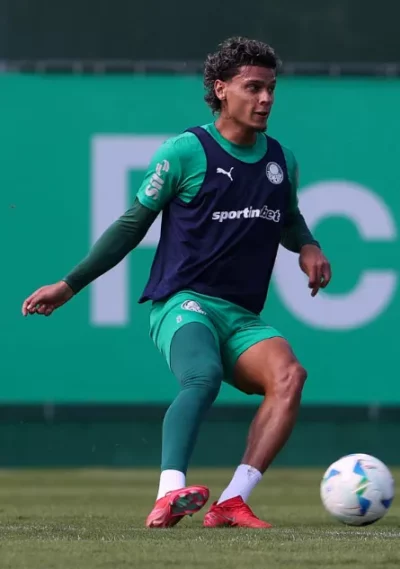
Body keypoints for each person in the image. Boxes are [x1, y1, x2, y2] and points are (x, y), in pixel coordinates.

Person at [21, 37, 332, 528]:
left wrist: (308, 245)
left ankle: (233, 502)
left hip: (241, 316)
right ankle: (168, 493)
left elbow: (288, 218)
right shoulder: (186, 152)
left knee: (290, 377)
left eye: (271, 88)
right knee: (202, 376)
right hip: (183, 302)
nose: (266, 99)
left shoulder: (281, 161)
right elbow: (131, 225)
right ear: (221, 89)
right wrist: (70, 285)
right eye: (253, 88)